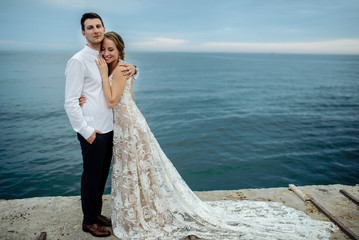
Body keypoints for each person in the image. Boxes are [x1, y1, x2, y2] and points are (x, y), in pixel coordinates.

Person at [92, 31, 337, 240]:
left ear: (120, 50)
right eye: (103, 50)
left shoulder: (119, 70)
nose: (106, 54)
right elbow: (129, 100)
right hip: (129, 125)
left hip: (131, 126)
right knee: (134, 170)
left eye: (110, 49)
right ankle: (138, 211)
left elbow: (113, 100)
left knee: (138, 170)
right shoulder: (123, 69)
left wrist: (104, 75)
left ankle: (142, 214)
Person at [64, 13, 137, 237]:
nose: (95, 30)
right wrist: (86, 131)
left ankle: (96, 213)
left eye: (98, 26)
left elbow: (120, 73)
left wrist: (134, 69)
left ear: (104, 28)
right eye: (90, 27)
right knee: (91, 176)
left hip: (110, 127)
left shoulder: (105, 56)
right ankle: (88, 221)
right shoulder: (78, 60)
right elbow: (70, 102)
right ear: (83, 33)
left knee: (102, 176)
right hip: (93, 130)